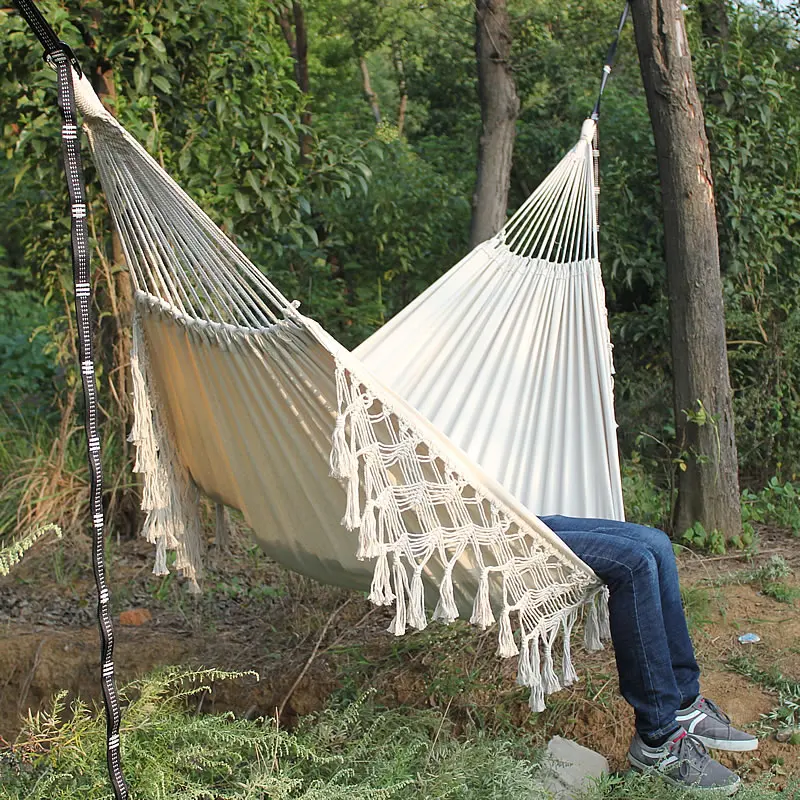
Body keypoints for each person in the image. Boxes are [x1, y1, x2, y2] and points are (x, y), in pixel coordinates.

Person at [541, 515, 757, 796]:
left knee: (658, 543)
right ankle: (657, 738)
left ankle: (684, 703)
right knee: (634, 563)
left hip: (504, 508)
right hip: (482, 530)